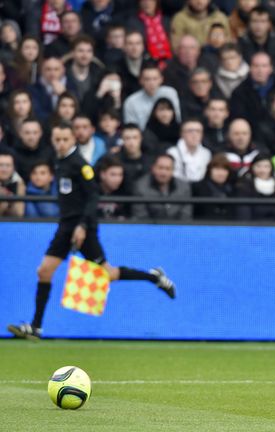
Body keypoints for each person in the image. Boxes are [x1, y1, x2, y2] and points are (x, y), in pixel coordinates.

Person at [7, 124, 176, 340]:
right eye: (57, 139)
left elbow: (93, 196)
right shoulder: (60, 162)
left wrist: (83, 226)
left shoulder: (80, 164)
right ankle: (36, 327)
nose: (60, 143)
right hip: (65, 225)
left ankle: (153, 277)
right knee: (44, 271)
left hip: (82, 226)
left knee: (108, 274)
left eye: (65, 139)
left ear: (73, 140)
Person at [132, 153, 193, 221]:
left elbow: (186, 214)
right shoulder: (140, 186)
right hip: (150, 229)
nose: (163, 173)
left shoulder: (184, 187)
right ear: (153, 168)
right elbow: (141, 216)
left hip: (177, 229)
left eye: (168, 169)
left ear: (173, 170)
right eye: (160, 168)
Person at [235, 154, 275, 221]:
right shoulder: (244, 186)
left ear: (272, 169)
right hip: (252, 228)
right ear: (252, 167)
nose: (262, 170)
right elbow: (243, 214)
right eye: (258, 166)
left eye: (266, 166)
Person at [0, 151, 25, 217]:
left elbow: (19, 214)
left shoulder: (19, 183)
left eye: (8, 165)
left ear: (13, 168)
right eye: (1, 165)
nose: (4, 169)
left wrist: (10, 202)